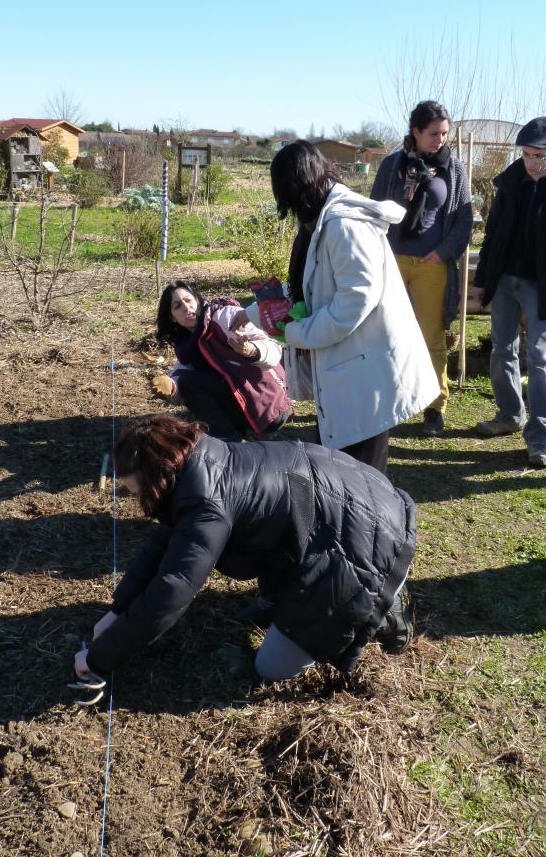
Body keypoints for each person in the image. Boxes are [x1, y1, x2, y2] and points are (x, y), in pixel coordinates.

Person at [74, 414, 416, 685]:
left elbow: (172, 589)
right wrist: (118, 611)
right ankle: (287, 597)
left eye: (134, 489)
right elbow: (161, 547)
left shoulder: (207, 502)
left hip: (367, 542)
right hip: (356, 501)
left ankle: (385, 608)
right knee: (281, 552)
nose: (132, 496)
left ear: (157, 477)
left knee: (270, 669)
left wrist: (98, 659)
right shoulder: (201, 461)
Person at [269, 140, 439, 475]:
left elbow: (355, 300)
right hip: (351, 368)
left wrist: (298, 332)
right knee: (339, 468)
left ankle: (370, 529)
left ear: (298, 187)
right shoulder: (322, 221)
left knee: (361, 480)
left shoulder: (344, 225)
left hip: (365, 371)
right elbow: (320, 286)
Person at [371, 101, 473, 437]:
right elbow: (373, 211)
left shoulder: (453, 170)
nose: (440, 140)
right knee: (388, 334)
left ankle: (434, 407)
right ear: (415, 132)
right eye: (433, 133)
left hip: (432, 265)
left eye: (445, 133)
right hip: (393, 262)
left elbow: (463, 219)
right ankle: (390, 400)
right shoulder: (392, 166)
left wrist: (443, 253)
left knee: (431, 338)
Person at [473, 117, 546, 468]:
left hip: (541, 284)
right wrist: (483, 277)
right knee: (502, 348)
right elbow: (491, 236)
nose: (531, 161)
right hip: (505, 279)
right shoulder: (509, 184)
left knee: (539, 357)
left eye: (538, 155)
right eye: (527, 154)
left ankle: (541, 436)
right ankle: (509, 414)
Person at [154, 280, 291, 441]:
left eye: (188, 300)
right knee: (186, 381)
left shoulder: (225, 317)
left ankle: (232, 440)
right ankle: (229, 440)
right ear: (173, 318)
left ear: (197, 300)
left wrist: (251, 350)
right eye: (178, 306)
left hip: (270, 407)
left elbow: (274, 350)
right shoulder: (187, 346)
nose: (186, 307)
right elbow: (183, 375)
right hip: (241, 409)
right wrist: (171, 387)